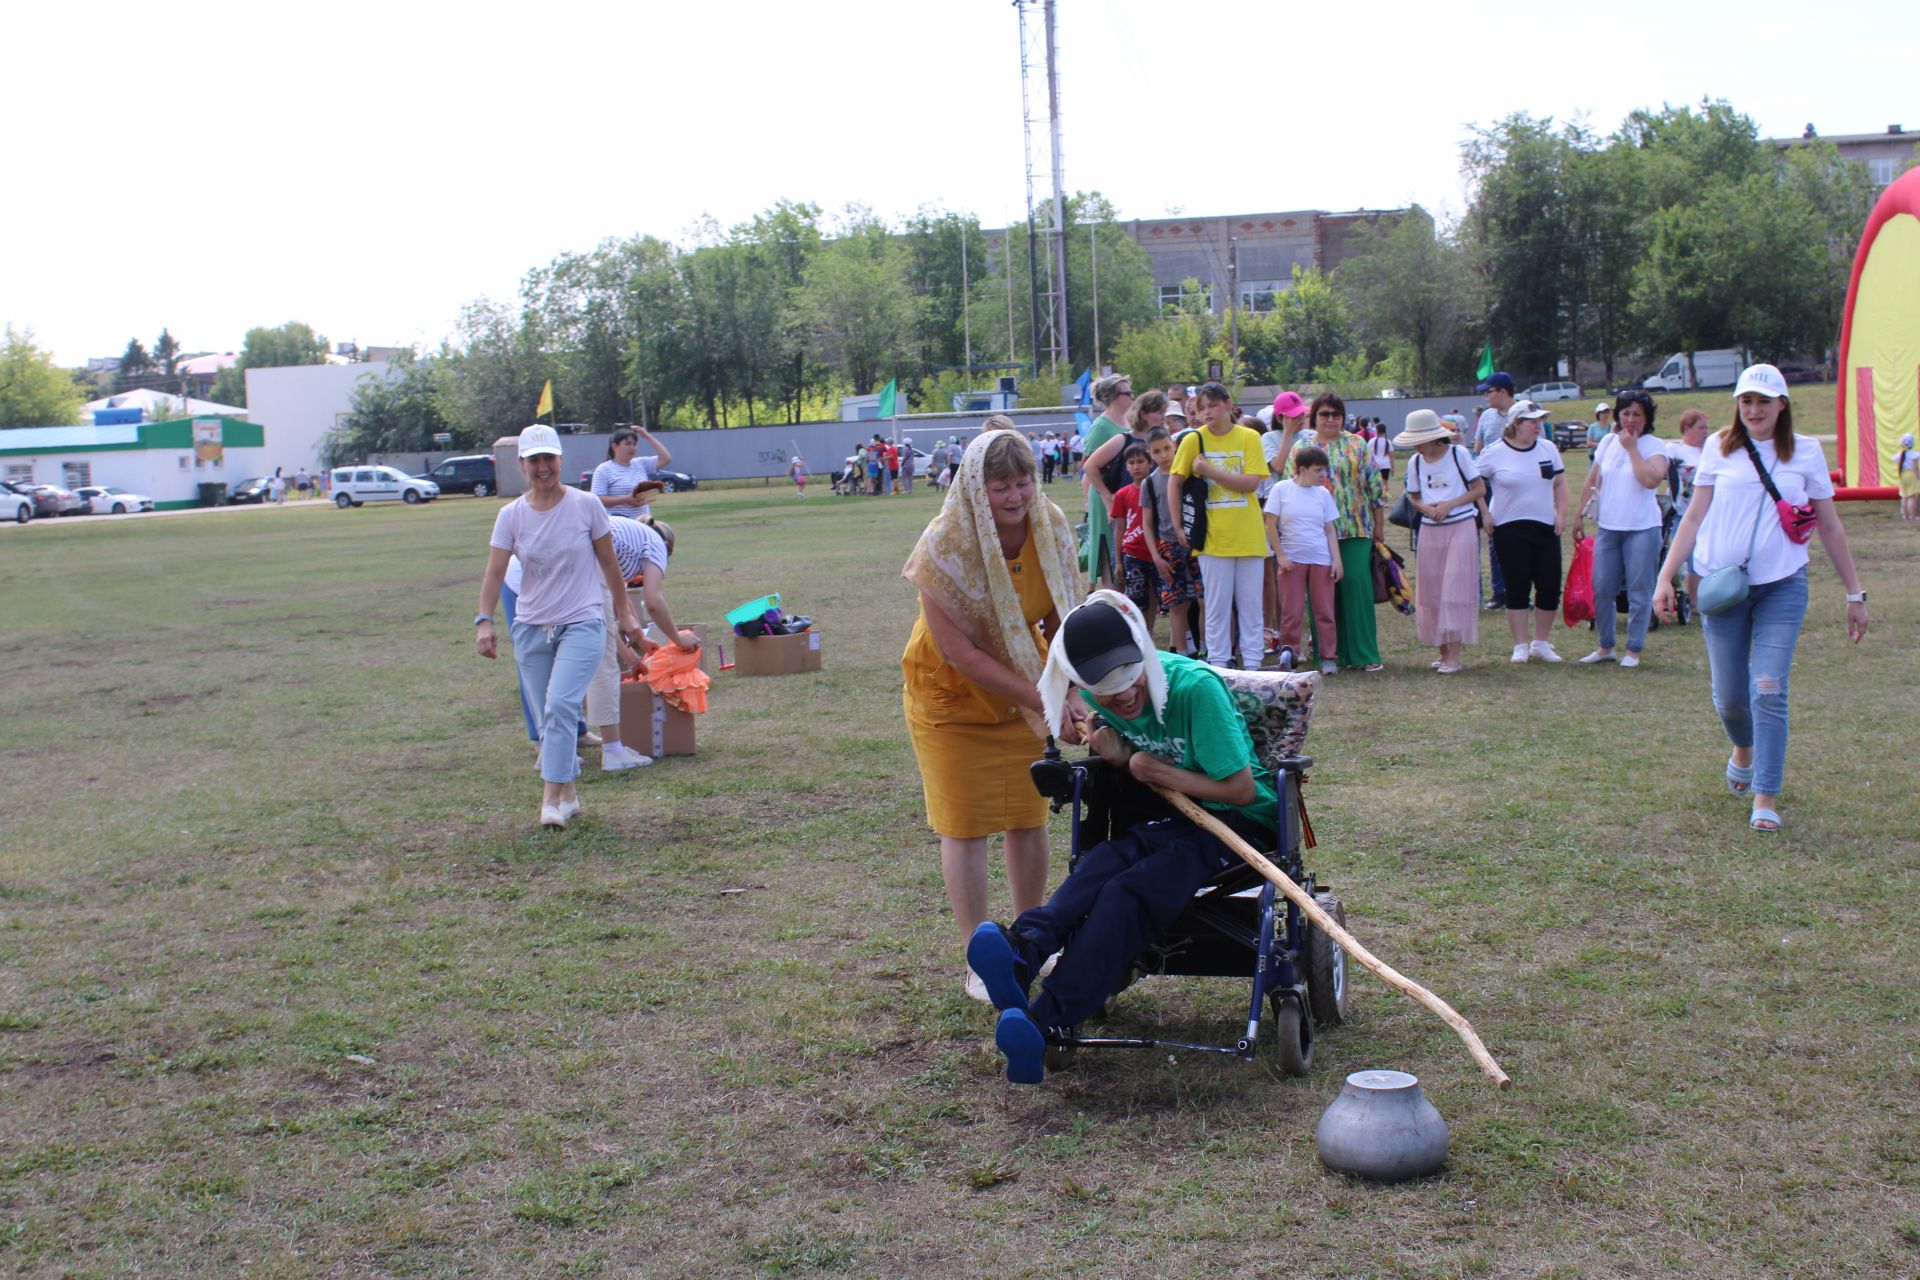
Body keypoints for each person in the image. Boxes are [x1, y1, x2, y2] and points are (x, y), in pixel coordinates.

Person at [965, 593, 1280, 1083]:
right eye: (1106, 691)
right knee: (1103, 864)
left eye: (1131, 679)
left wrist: (1149, 767)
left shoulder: (1195, 690)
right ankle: (1020, 954)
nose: (1124, 696)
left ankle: (1046, 1021)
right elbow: (1124, 749)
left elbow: (1240, 789)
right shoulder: (1092, 694)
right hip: (1170, 817)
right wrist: (1117, 756)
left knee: (1128, 892)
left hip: (1238, 824)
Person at [901, 423, 1084, 999]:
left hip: (1025, 680)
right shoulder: (942, 545)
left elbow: (1061, 618)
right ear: (976, 489)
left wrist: (1070, 691)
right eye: (1001, 485)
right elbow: (961, 651)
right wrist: (1041, 698)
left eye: (1024, 482)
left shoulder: (1050, 526)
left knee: (1027, 816)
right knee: (966, 825)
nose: (1015, 497)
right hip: (951, 696)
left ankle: (1030, 940)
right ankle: (981, 956)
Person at [1654, 364, 1869, 832]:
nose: (1753, 410)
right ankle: (1743, 748)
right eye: (1746, 401)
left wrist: (1855, 594)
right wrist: (1665, 577)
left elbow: (1829, 526)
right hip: (1721, 586)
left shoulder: (1805, 452)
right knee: (1731, 698)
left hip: (1782, 586)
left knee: (1768, 687)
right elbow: (1693, 516)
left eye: (1763, 402)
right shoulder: (1717, 447)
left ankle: (1765, 795)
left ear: (1782, 405)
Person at [477, 424, 645, 829]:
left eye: (548, 459)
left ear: (561, 460)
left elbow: (609, 564)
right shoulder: (510, 515)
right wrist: (484, 621)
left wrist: (623, 612)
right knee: (550, 716)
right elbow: (495, 572)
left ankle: (549, 801)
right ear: (521, 465)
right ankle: (569, 795)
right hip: (532, 626)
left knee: (560, 705)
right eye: (534, 460)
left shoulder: (586, 505)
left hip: (582, 620)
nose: (542, 467)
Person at [1274, 392, 1388, 672]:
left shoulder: (1357, 444)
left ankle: (1364, 653)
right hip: (1311, 533)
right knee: (1322, 597)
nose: (1330, 419)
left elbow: (1375, 486)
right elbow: (1291, 484)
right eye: (1324, 413)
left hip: (1354, 528)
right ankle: (1329, 655)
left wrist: (1379, 527)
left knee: (1356, 587)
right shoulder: (1303, 445)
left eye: (1336, 414)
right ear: (1315, 417)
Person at [585, 517, 697, 773]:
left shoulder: (626, 544)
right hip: (581, 563)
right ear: (668, 546)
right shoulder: (656, 543)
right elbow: (653, 601)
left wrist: (634, 653)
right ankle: (613, 751)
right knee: (603, 669)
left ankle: (555, 747)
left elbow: (606, 620)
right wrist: (678, 638)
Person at [1172, 383, 1267, 669]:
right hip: (1212, 538)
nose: (1206, 412)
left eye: (1212, 405)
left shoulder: (1249, 437)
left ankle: (1252, 664)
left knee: (1251, 606)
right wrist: (1179, 526)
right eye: (1200, 408)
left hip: (1249, 535)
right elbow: (1174, 482)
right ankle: (1219, 665)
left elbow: (1251, 483)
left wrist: (1210, 470)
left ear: (1228, 404)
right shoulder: (1192, 441)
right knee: (1215, 607)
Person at [1573, 390, 1667, 667]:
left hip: (1642, 527)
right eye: (1626, 413)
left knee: (1639, 590)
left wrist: (1633, 449)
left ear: (1647, 418)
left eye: (1637, 414)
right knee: (1602, 587)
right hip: (1609, 527)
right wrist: (1579, 515)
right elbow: (1593, 481)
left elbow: (1650, 480)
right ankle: (1606, 646)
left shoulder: (1655, 445)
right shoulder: (1608, 442)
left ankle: (1633, 650)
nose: (1631, 419)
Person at [1472, 400, 1568, 663]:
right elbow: (1474, 481)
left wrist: (1560, 514)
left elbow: (1559, 483)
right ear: (1516, 424)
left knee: (1549, 585)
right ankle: (1520, 645)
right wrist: (1484, 512)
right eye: (1532, 421)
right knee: (1517, 586)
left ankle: (1541, 642)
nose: (1539, 426)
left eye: (1540, 421)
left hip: (1544, 525)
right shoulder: (1495, 452)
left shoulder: (1548, 448)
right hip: (1509, 527)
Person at [1399, 409, 1484, 673]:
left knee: (1455, 589)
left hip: (1460, 525)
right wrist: (1427, 509)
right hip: (1430, 529)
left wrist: (1449, 504)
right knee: (1433, 589)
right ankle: (1442, 651)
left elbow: (1479, 489)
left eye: (1419, 439)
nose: (1416, 445)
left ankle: (1453, 656)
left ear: (1434, 437)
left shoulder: (1459, 454)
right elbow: (1413, 496)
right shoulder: (1415, 462)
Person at [1264, 444, 1341, 673]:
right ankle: (1291, 654)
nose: (1323, 475)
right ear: (1302, 469)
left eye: (1324, 470)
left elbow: (1329, 529)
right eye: (1318, 470)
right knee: (1291, 612)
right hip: (1292, 560)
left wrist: (1336, 559)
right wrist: (1280, 555)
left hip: (1320, 559)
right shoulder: (1281, 489)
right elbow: (1270, 524)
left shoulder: (1323, 494)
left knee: (1325, 611)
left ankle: (1328, 656)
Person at [1139, 426, 1200, 658]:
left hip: (1196, 544)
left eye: (1166, 448)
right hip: (1169, 546)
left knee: (1202, 600)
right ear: (1150, 454)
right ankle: (1183, 654)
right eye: (1157, 451)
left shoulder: (1188, 475)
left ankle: (1203, 649)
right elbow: (1146, 523)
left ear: (1174, 446)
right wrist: (1156, 557)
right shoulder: (1150, 483)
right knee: (1177, 604)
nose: (1163, 455)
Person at [1078, 374, 1135, 587]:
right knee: (1108, 547)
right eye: (1126, 393)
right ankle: (1109, 594)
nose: (1132, 396)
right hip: (1105, 495)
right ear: (1113, 397)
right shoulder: (1101, 426)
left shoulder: (1128, 422)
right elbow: (1088, 465)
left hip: (1123, 493)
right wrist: (1106, 496)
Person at [1109, 441, 1160, 632]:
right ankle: (1137, 635)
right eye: (1131, 462)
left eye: (1140, 461)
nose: (1136, 466)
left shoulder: (1158, 489)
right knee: (1136, 598)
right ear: (1126, 466)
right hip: (1133, 552)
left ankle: (1149, 632)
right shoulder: (1123, 494)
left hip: (1156, 551)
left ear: (1150, 463)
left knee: (1154, 597)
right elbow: (1119, 527)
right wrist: (1119, 560)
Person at [591, 425, 672, 521]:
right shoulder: (604, 469)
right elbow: (597, 499)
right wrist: (625, 499)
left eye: (634, 444)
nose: (632, 447)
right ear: (615, 446)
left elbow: (666, 459)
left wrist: (648, 437)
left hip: (643, 522)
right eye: (628, 444)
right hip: (619, 525)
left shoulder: (640, 463)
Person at [1897, 433, 1919, 521]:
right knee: (1912, 496)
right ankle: (1912, 516)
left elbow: (1898, 467)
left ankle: (1905, 516)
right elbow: (1915, 467)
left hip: (1902, 475)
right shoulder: (1914, 455)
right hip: (1911, 475)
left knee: (1904, 496)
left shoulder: (1900, 455)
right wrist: (1917, 478)